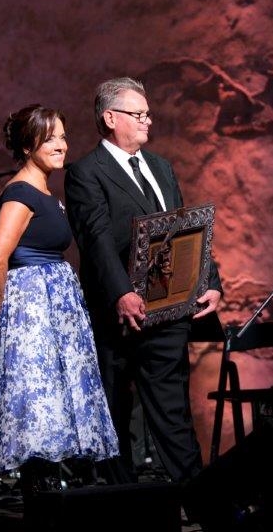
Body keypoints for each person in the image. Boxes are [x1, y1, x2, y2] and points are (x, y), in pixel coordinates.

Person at [64, 76, 222, 486]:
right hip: (117, 316)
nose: (148, 121)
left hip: (167, 312)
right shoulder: (86, 172)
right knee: (115, 411)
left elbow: (186, 228)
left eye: (148, 113)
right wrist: (121, 292)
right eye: (139, 114)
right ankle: (123, 506)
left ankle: (203, 504)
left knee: (172, 413)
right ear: (110, 118)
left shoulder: (161, 167)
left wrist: (211, 280)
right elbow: (95, 239)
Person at [0, 105, 119, 514]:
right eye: (50, 139)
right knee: (37, 400)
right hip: (32, 310)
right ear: (28, 145)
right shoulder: (19, 194)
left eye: (63, 136)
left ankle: (58, 502)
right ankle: (39, 506)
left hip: (56, 309)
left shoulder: (45, 192)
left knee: (58, 403)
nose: (62, 145)